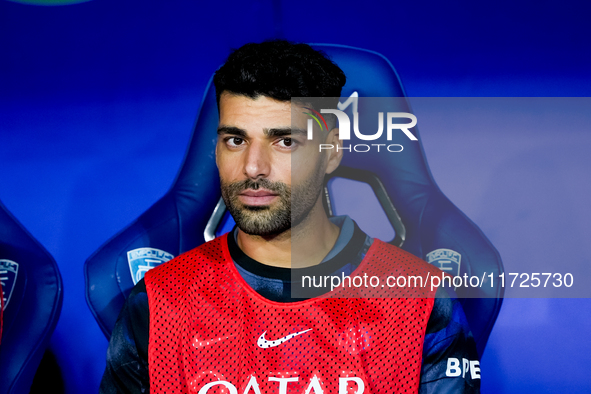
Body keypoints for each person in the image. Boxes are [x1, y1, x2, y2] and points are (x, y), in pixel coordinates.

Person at [100, 40, 480, 393]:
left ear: (331, 151)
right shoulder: (158, 303)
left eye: (284, 141)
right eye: (236, 140)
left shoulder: (422, 302)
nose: (253, 167)